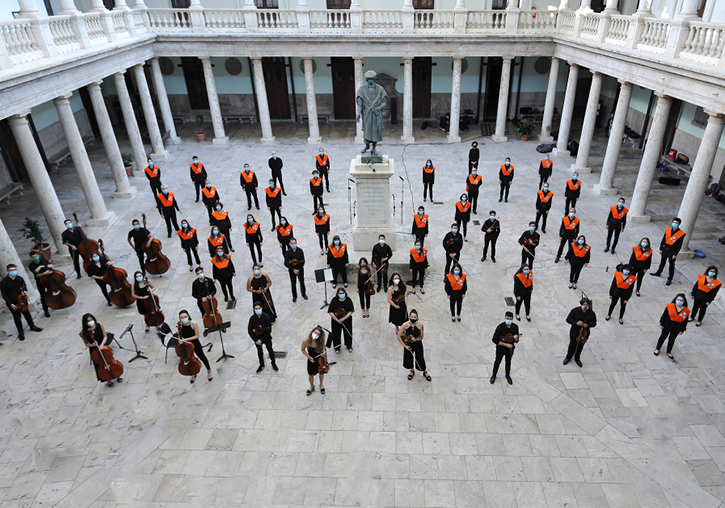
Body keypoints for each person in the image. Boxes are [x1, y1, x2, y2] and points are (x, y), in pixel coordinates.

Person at [1, 264, 43, 341]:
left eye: (14, 270)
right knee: (17, 317)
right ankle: (20, 332)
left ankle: (32, 326)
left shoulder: (19, 278)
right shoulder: (4, 282)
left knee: (27, 313)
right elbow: (4, 294)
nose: (13, 271)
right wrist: (10, 304)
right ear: (8, 271)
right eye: (11, 270)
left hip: (22, 299)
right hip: (12, 302)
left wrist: (25, 291)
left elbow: (24, 286)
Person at [80, 313, 120, 386]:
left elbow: (105, 336)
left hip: (103, 346)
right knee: (100, 365)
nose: (90, 321)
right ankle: (108, 379)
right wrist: (92, 345)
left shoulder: (99, 325)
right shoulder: (83, 332)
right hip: (94, 349)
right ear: (85, 322)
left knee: (109, 360)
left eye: (91, 319)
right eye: (88, 321)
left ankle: (117, 375)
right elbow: (86, 343)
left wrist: (101, 345)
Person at [356, 70, 388, 156]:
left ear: (374, 79)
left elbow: (385, 102)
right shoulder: (361, 89)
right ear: (366, 80)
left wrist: (378, 108)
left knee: (375, 132)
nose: (370, 80)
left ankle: (374, 148)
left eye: (372, 79)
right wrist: (358, 114)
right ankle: (367, 146)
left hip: (376, 114)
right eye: (368, 79)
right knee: (366, 131)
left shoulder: (380, 89)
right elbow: (359, 103)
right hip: (367, 114)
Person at [177, 310, 213, 383]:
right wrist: (180, 340)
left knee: (202, 356)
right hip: (186, 346)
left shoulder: (193, 324)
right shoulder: (179, 325)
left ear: (188, 316)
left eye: (185, 317)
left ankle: (209, 371)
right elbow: (179, 336)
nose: (184, 318)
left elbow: (197, 336)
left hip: (194, 343)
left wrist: (185, 339)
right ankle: (193, 373)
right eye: (181, 317)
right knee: (188, 360)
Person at [397, 309, 430, 381]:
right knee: (409, 358)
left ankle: (424, 371)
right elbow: (398, 336)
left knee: (420, 358)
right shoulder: (405, 325)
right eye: (412, 317)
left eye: (414, 317)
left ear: (417, 318)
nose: (413, 318)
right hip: (408, 344)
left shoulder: (420, 325)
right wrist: (405, 346)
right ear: (409, 316)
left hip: (418, 344)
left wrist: (416, 339)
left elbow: (421, 337)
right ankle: (412, 371)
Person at [651, 217, 686, 286]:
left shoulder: (681, 234)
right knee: (662, 262)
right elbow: (663, 239)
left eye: (676, 223)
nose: (674, 224)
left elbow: (679, 245)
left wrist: (675, 254)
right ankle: (658, 272)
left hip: (672, 251)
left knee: (671, 265)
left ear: (679, 224)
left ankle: (670, 279)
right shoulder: (668, 230)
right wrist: (661, 248)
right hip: (665, 249)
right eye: (674, 222)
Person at [563, 297, 597, 367]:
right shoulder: (575, 310)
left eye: (587, 305)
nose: (585, 306)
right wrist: (576, 323)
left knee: (580, 345)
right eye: (584, 304)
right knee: (572, 344)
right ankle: (568, 357)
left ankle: (577, 358)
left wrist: (587, 325)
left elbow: (594, 323)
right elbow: (568, 319)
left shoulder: (591, 313)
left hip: (584, 332)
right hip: (575, 330)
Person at [654, 294, 689, 360]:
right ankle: (657, 349)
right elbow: (664, 316)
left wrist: (682, 330)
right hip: (667, 325)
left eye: (681, 300)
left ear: (684, 301)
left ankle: (669, 351)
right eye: (678, 300)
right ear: (675, 299)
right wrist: (662, 324)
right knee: (663, 337)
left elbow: (685, 321)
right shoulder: (670, 307)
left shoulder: (685, 311)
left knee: (672, 339)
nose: (679, 301)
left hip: (676, 328)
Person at [490, 312, 519, 385]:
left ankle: (507, 375)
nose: (509, 320)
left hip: (510, 349)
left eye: (510, 319)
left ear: (512, 319)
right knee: (497, 361)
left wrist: (516, 339)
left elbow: (516, 341)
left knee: (508, 362)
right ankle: (493, 375)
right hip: (500, 348)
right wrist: (505, 345)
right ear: (505, 318)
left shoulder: (515, 327)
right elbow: (494, 340)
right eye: (507, 319)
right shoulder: (500, 327)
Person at [248, 302, 277, 373]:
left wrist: (261, 340)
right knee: (259, 352)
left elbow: (268, 330)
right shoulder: (252, 318)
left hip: (266, 338)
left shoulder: (267, 317)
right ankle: (261, 364)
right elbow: (249, 330)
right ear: (254, 309)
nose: (257, 310)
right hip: (257, 338)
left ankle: (273, 363)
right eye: (256, 309)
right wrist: (256, 340)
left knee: (270, 350)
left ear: (262, 308)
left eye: (259, 308)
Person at [328, 287, 355, 353]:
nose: (341, 294)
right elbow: (330, 312)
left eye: (343, 293)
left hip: (347, 319)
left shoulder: (348, 300)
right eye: (340, 293)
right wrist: (337, 320)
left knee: (348, 333)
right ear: (337, 294)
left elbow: (351, 311)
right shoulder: (334, 300)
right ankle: (337, 347)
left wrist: (343, 319)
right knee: (336, 334)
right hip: (336, 320)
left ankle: (349, 345)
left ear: (345, 293)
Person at [302, 326, 327, 396]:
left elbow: (324, 346)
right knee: (310, 375)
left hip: (319, 359)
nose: (316, 335)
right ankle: (311, 386)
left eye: (318, 334)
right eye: (315, 332)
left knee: (321, 373)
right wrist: (309, 357)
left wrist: (323, 352)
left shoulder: (320, 341)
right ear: (312, 332)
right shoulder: (306, 341)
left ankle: (321, 385)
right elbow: (303, 350)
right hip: (311, 359)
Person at [27, 251, 53, 318]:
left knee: (53, 291)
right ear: (31, 258)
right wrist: (44, 273)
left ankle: (54, 303)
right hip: (40, 281)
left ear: (38, 255)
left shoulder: (43, 260)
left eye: (36, 256)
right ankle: (46, 310)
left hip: (49, 279)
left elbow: (51, 265)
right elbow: (37, 275)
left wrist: (41, 266)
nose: (36, 258)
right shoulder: (31, 265)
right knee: (43, 296)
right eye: (34, 257)